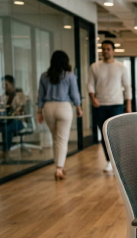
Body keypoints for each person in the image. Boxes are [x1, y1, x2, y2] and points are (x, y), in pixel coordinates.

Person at [36, 50, 83, 180]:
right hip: (64, 107)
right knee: (62, 139)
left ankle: (59, 166)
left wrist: (39, 112)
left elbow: (40, 96)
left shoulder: (44, 76)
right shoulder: (69, 76)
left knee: (55, 139)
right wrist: (79, 107)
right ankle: (59, 169)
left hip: (48, 108)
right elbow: (75, 94)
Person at [87, 40, 132, 172]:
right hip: (100, 105)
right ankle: (108, 161)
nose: (105, 51)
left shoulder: (121, 67)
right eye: (103, 49)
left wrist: (128, 105)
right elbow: (90, 85)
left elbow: (127, 87)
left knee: (115, 134)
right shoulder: (94, 67)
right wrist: (93, 98)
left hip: (116, 104)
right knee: (104, 134)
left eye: (108, 49)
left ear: (113, 51)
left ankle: (117, 162)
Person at [0, 75, 27, 159]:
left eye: (6, 84)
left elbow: (22, 110)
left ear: (12, 84)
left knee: (6, 128)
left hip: (18, 121)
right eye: (3, 85)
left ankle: (6, 152)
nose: (3, 87)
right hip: (5, 120)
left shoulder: (20, 95)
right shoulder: (3, 96)